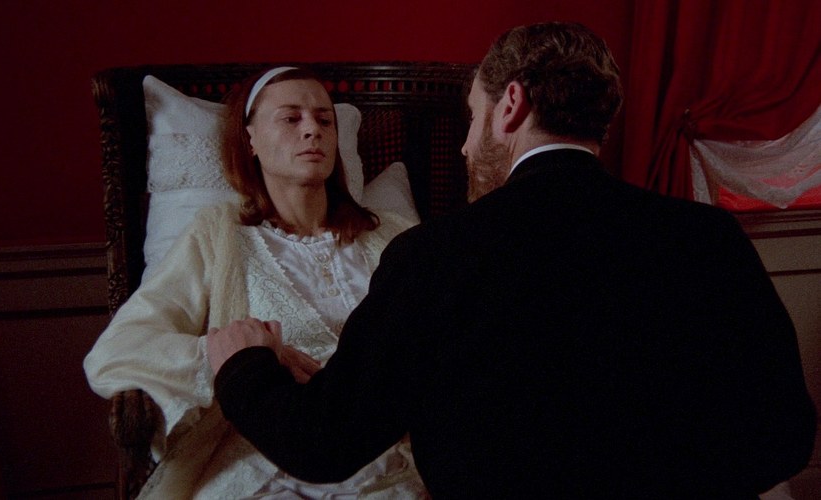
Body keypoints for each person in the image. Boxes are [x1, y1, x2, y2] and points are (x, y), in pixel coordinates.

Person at [207, 22, 817, 499]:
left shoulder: (431, 256)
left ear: (512, 106)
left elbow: (323, 444)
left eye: (473, 118)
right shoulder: (709, 237)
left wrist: (242, 366)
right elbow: (785, 439)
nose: (466, 145)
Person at [83, 67, 426, 499]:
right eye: (291, 118)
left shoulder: (394, 235)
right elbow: (119, 349)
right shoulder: (219, 237)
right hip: (264, 457)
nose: (312, 130)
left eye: (324, 120)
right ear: (251, 141)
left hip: (395, 451)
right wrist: (238, 357)